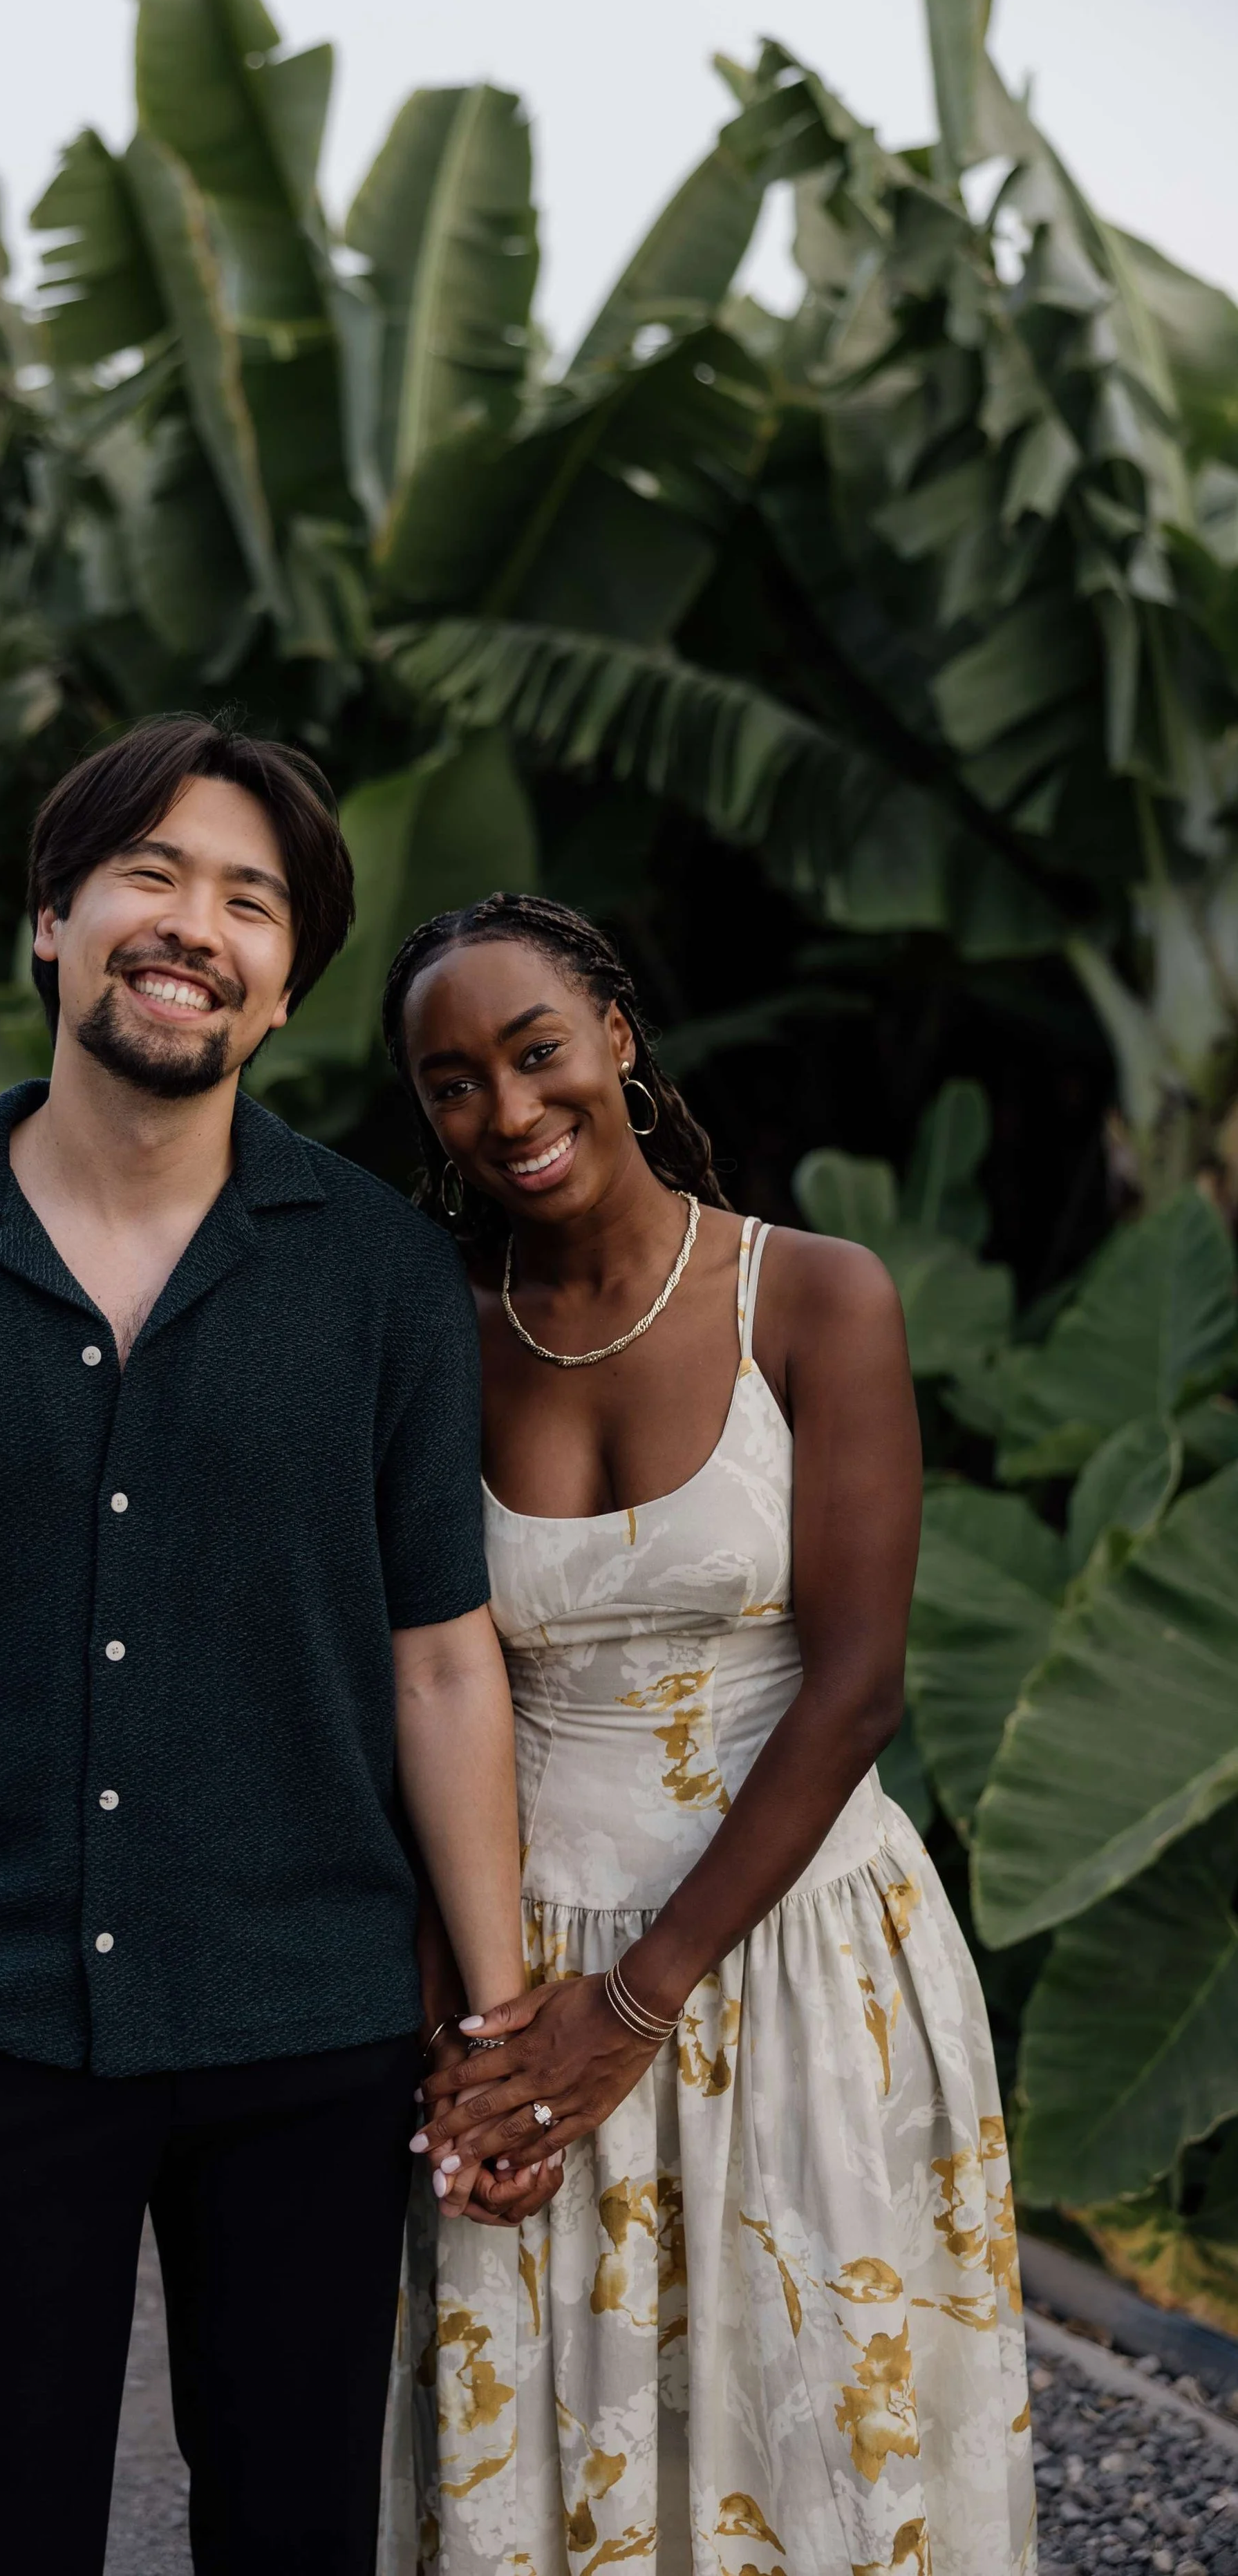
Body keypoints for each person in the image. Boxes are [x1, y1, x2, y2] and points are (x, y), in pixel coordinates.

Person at [0, 715, 528, 2576]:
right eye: (150, 872)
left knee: (296, 2531)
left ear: (287, 979)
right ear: (52, 918)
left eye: (248, 899)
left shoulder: (379, 1271)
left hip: (314, 2036)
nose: (193, 924)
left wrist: (495, 2014)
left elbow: (442, 1656)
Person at [377, 895, 1035, 2576]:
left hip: (799, 1957)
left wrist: (637, 2002)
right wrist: (468, 2007)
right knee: (550, 2458)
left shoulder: (810, 1297)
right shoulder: (433, 1338)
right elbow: (433, 1678)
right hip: (525, 1966)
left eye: (535, 1053)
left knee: (810, 2446)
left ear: (613, 1031)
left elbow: (855, 1684)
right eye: (454, 1085)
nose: (509, 1113)